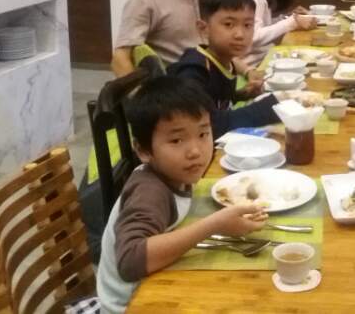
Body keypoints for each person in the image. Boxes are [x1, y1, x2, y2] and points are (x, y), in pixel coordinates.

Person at [96, 76, 267, 313]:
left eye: (203, 134)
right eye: (177, 140)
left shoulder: (176, 174)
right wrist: (215, 224)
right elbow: (131, 261)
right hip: (130, 305)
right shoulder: (150, 191)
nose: (195, 151)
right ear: (143, 150)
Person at [167, 0, 280, 138]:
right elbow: (210, 125)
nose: (240, 34)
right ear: (203, 28)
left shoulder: (224, 60)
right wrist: (270, 107)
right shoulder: (194, 71)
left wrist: (242, 94)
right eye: (228, 24)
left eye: (248, 25)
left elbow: (216, 98)